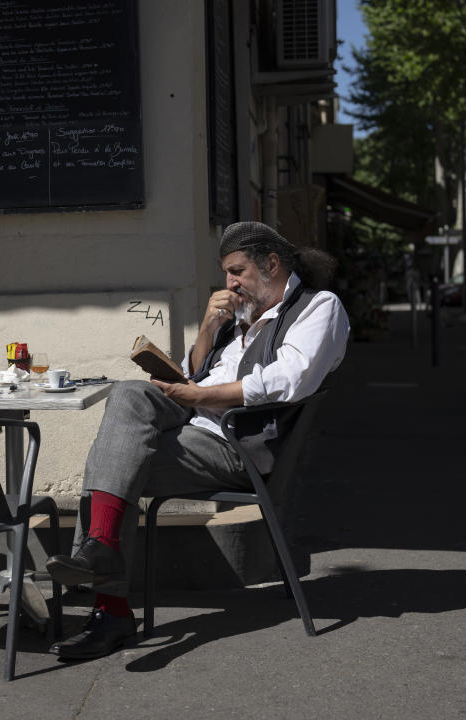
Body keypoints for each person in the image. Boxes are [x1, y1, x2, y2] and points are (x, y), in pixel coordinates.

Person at [45, 221, 351, 660]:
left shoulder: (319, 306)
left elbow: (290, 380)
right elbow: (193, 375)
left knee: (116, 457)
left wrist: (199, 396)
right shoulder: (244, 312)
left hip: (236, 444)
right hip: (194, 420)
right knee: (129, 395)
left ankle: (109, 603)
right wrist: (209, 326)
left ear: (271, 263)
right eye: (226, 273)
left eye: (237, 271)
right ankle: (102, 557)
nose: (230, 283)